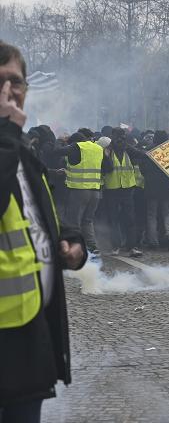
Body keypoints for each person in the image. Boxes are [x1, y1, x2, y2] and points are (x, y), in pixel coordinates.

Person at [0, 39, 87, 423]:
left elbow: (39, 214)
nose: (8, 91)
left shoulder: (20, 149)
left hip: (28, 337)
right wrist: (6, 132)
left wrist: (72, 242)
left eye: (15, 81)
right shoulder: (10, 143)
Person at [51, 131, 110, 258]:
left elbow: (56, 152)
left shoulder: (76, 146)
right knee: (88, 221)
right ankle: (93, 247)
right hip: (96, 190)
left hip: (80, 190)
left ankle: (75, 249)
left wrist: (60, 141)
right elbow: (108, 166)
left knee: (74, 221)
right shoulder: (98, 148)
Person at [102, 128, 142, 257]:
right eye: (118, 136)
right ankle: (116, 246)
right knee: (113, 219)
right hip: (112, 189)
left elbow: (141, 155)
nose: (121, 139)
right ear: (113, 137)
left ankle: (132, 247)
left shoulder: (128, 149)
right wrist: (107, 156)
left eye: (122, 136)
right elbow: (107, 169)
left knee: (130, 219)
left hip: (127, 189)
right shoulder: (107, 150)